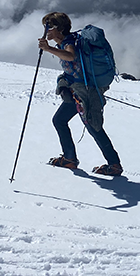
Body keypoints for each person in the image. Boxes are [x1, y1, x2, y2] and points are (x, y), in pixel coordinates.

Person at [39, 12, 123, 176]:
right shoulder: (65, 42)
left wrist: (47, 48)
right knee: (60, 120)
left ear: (59, 28)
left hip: (85, 93)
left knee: (93, 127)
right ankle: (70, 158)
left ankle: (114, 164)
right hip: (76, 92)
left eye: (49, 26)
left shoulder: (69, 42)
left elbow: (71, 56)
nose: (46, 30)